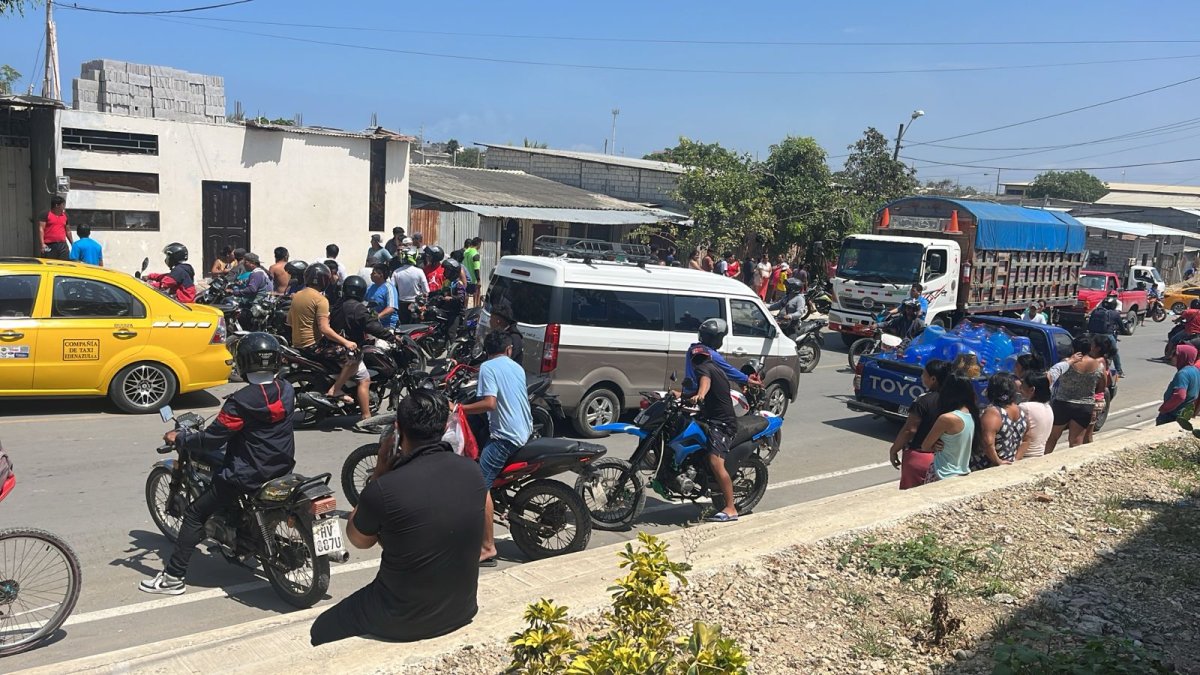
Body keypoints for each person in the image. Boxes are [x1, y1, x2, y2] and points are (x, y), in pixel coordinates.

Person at [309, 389, 484, 645]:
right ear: (445, 426)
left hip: (400, 618)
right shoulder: (473, 471)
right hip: (462, 608)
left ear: (398, 429)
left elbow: (358, 540)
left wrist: (379, 472)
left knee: (320, 630)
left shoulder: (385, 489)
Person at [139, 333, 295, 595]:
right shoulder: (287, 390)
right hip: (280, 466)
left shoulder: (239, 402)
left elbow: (211, 440)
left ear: (243, 363)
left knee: (193, 515)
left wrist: (182, 438)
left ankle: (173, 578)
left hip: (246, 474)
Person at [459, 331, 533, 566]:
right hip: (524, 430)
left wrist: (460, 407)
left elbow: (489, 403)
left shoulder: (488, 368)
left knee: (479, 485)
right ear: (509, 349)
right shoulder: (516, 367)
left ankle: (488, 547)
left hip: (506, 436)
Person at [288, 262, 361, 408]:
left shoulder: (296, 296)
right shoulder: (321, 300)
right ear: (324, 280)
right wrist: (347, 343)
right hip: (313, 346)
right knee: (355, 355)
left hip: (297, 344)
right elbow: (325, 329)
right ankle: (336, 389)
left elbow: (289, 321)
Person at [686, 345, 739, 522]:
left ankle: (731, 508)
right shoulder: (714, 368)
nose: (698, 362)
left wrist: (700, 394)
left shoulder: (705, 368)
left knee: (715, 461)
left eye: (699, 359)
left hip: (723, 424)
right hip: (711, 419)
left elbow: (704, 384)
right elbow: (696, 391)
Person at [332, 275, 390, 430]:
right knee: (365, 379)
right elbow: (372, 326)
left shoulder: (338, 304)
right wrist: (391, 336)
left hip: (334, 345)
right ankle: (366, 420)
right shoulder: (357, 308)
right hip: (347, 349)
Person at [888, 359, 952, 489]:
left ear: (933, 379)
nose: (922, 377)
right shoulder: (953, 401)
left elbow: (910, 429)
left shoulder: (923, 401)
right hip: (944, 458)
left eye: (924, 374)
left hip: (919, 457)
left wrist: (894, 449)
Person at [1045, 335, 1108, 452]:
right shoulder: (1099, 366)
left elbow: (1053, 375)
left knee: (1052, 437)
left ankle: (1043, 462)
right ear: (1089, 349)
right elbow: (1101, 388)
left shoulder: (1067, 362)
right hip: (1084, 406)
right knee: (1076, 441)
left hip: (1062, 403)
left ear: (1074, 348)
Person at [921, 373, 980, 482]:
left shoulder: (946, 418)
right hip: (962, 472)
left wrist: (934, 445)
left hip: (942, 473)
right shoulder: (971, 414)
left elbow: (925, 446)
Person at [684, 319, 756, 394]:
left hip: (688, 392)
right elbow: (728, 370)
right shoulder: (711, 354)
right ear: (716, 337)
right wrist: (747, 379)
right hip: (702, 395)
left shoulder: (692, 349)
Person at [974, 374, 1028, 469]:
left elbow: (988, 442)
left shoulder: (993, 413)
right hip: (1010, 460)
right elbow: (1027, 439)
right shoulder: (1021, 411)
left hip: (988, 465)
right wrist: (1016, 459)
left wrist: (997, 461)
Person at [1157, 344, 1200, 426]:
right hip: (1184, 416)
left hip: (1172, 416)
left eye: (1175, 355)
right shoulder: (1195, 371)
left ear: (1183, 356)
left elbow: (1180, 396)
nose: (1172, 357)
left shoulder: (1183, 374)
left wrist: (1164, 408)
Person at [1016, 371, 1054, 460]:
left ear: (1032, 390)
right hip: (1040, 454)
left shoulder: (1025, 407)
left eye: (1023, 385)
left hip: (1024, 455)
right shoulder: (1048, 408)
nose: (1020, 388)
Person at [1088, 293, 1125, 376]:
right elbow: (1122, 327)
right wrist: (1124, 331)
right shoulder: (1115, 314)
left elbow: (1089, 324)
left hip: (1093, 335)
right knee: (1114, 352)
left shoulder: (1095, 311)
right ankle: (1119, 371)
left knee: (1087, 350)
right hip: (1107, 336)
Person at [391, 253, 429, 324]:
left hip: (402, 304)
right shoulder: (419, 271)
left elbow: (391, 288)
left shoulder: (396, 272)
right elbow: (426, 290)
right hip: (416, 304)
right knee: (416, 327)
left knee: (403, 326)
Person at [488, 298, 524, 366]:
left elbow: (506, 362)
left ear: (498, 321)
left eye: (491, 318)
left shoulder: (514, 338)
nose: (489, 321)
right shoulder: (498, 334)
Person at [37, 195, 72, 260]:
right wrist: (42, 244)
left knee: (64, 263)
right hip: (49, 245)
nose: (64, 207)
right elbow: (41, 229)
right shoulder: (45, 214)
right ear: (57, 205)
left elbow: (68, 231)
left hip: (62, 245)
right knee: (49, 264)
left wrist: (72, 243)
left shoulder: (65, 215)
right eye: (63, 205)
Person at [365, 264, 399, 328]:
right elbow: (363, 299)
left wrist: (378, 316)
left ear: (381, 275)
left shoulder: (389, 288)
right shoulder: (371, 287)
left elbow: (391, 308)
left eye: (373, 273)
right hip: (374, 323)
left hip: (388, 325)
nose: (371, 275)